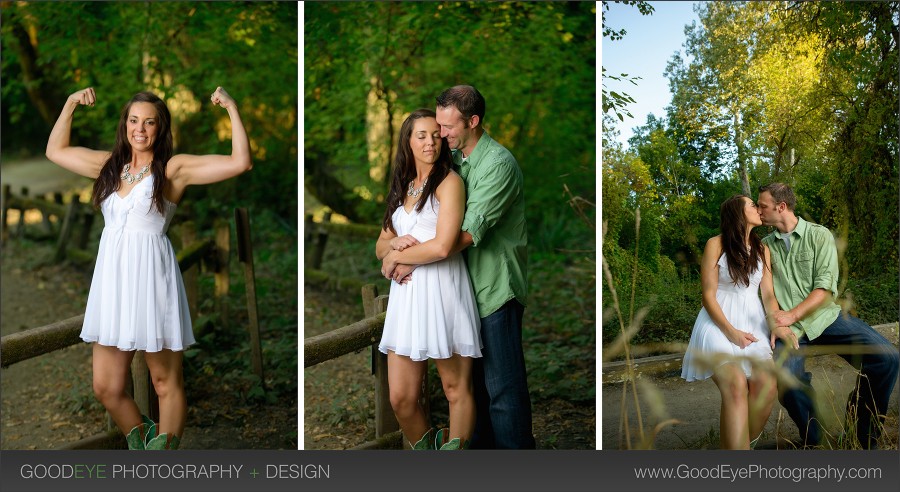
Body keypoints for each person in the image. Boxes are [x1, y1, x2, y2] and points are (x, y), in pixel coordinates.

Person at [45, 86, 251, 450]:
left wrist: (232, 108)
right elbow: (55, 151)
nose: (140, 129)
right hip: (112, 283)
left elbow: (239, 162)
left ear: (161, 127)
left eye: (149, 122)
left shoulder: (174, 169)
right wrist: (70, 103)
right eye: (134, 120)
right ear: (125, 124)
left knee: (165, 383)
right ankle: (142, 448)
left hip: (153, 280)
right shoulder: (109, 165)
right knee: (106, 387)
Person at [384, 85, 535, 449]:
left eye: (446, 129)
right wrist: (396, 249)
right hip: (461, 286)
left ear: (473, 121)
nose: (440, 136)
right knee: (477, 393)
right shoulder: (457, 162)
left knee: (503, 392)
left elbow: (462, 236)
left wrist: (403, 258)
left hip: (495, 288)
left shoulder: (497, 164)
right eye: (434, 129)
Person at [757, 183, 899, 449]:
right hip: (790, 331)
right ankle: (816, 440)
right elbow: (765, 293)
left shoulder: (819, 236)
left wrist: (793, 314)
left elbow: (824, 290)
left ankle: (863, 433)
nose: (758, 210)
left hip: (826, 319)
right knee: (788, 381)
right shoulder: (764, 246)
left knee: (888, 359)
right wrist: (778, 320)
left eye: (762, 205)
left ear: (781, 207)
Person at [376, 109, 482, 450]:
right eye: (421, 135)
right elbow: (380, 244)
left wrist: (397, 258)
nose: (430, 141)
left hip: (442, 291)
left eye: (436, 135)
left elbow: (442, 246)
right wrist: (392, 247)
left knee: (455, 389)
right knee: (401, 398)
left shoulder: (449, 183)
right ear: (408, 141)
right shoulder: (403, 185)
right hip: (405, 301)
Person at [681, 195, 779, 449]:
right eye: (751, 205)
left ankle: (737, 447)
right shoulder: (716, 244)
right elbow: (707, 295)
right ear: (737, 213)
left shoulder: (763, 249)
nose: (758, 209)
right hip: (717, 323)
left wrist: (777, 324)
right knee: (735, 385)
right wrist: (732, 332)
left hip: (752, 322)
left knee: (766, 388)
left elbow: (768, 294)